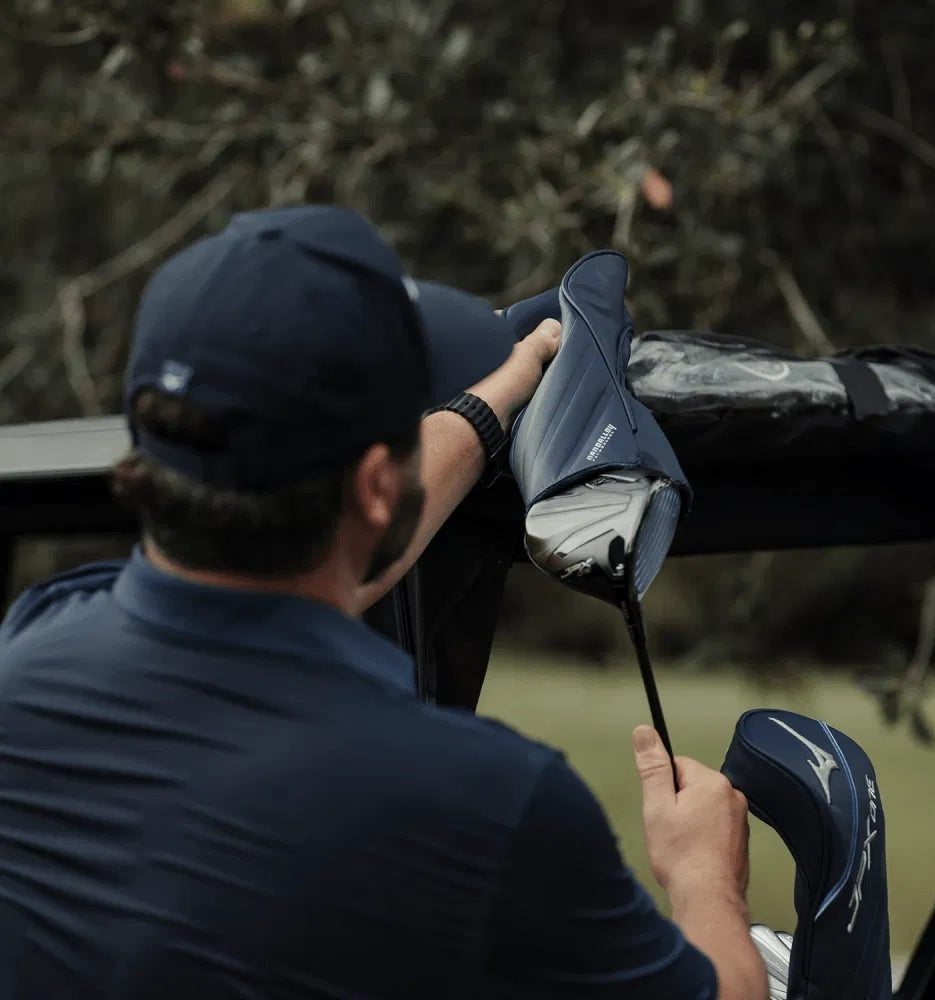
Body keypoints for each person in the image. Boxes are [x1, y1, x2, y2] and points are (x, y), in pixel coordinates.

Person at [0, 205, 766, 1000]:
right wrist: (704, 872)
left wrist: (493, 402)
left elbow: (313, 571)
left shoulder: (26, 659)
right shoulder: (482, 802)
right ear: (373, 488)